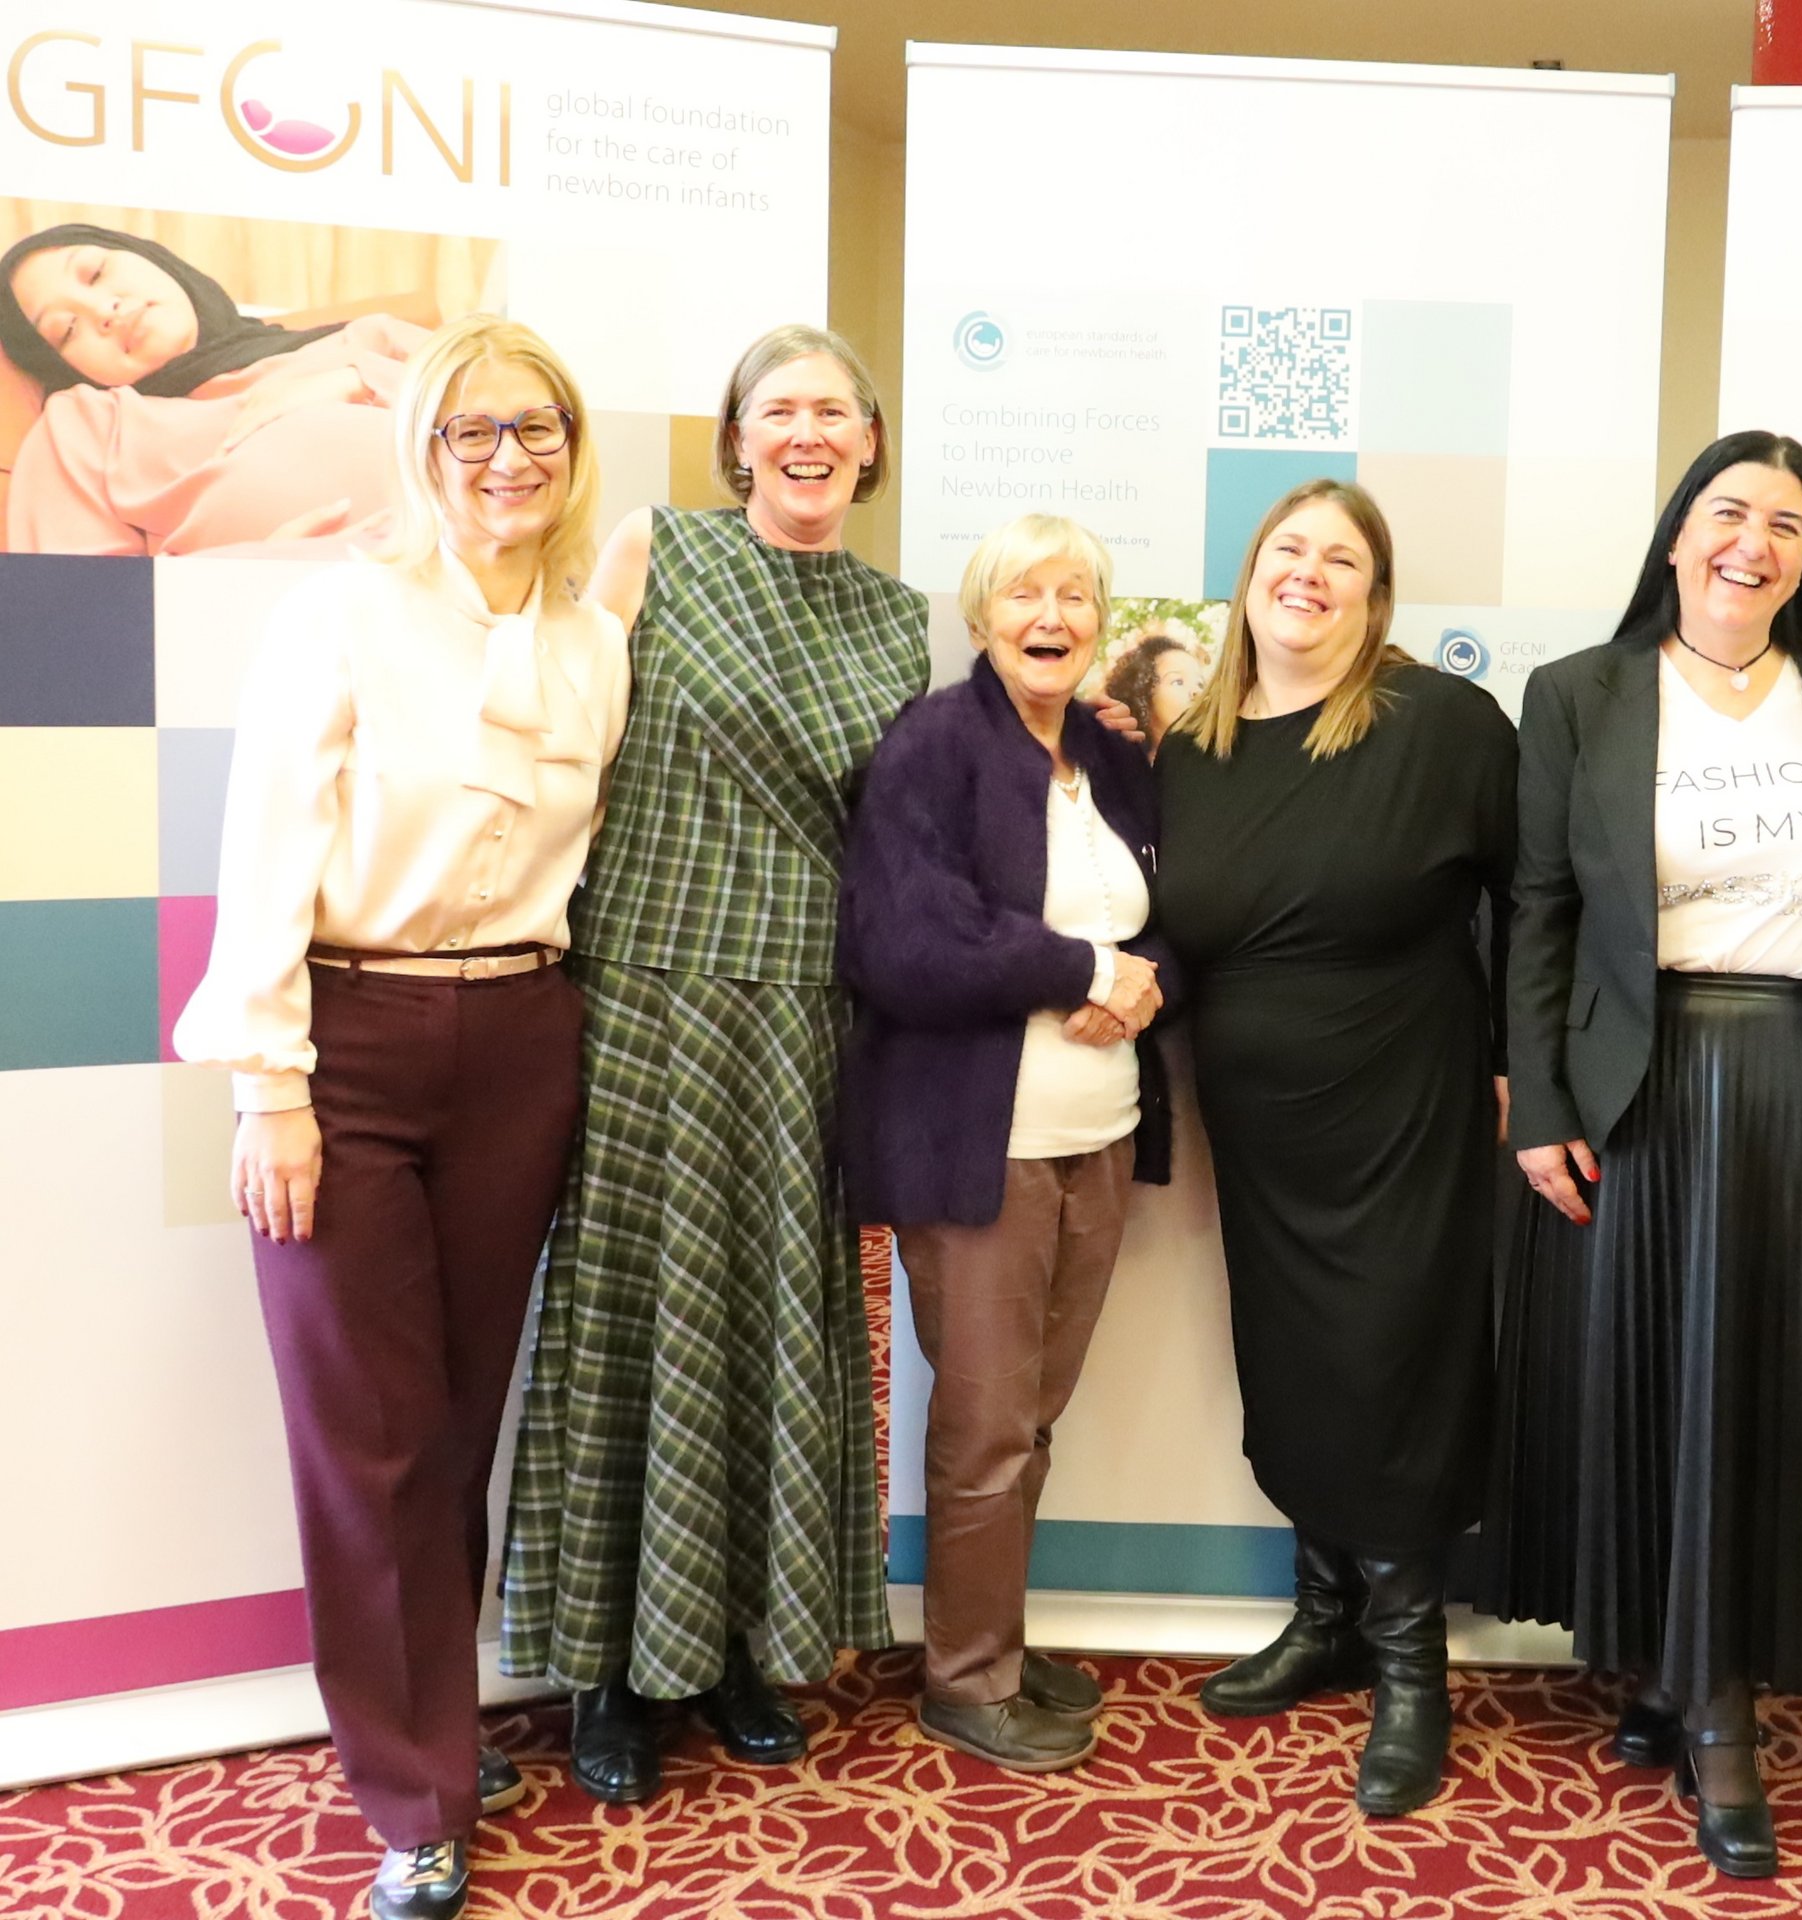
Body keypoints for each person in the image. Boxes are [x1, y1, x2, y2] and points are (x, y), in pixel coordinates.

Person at [172, 313, 627, 1920]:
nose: (507, 460)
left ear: (571, 452)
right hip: (346, 1044)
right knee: (363, 1438)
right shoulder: (342, 616)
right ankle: (417, 1795)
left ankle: (427, 1713)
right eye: (470, 432)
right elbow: (266, 855)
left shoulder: (591, 641)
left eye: (537, 431)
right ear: (422, 451)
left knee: (453, 1420)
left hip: (521, 1038)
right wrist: (270, 1086)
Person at [500, 323, 930, 1804]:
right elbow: (566, 747)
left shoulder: (900, 616)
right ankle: (614, 1669)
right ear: (739, 439)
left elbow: (915, 823)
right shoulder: (653, 549)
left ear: (870, 445)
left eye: (835, 412)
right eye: (778, 410)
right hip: (647, 991)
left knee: (773, 1326)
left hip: (807, 1010)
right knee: (634, 1320)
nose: (807, 432)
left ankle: (746, 1645)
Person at [1483, 430, 1802, 1878]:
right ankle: (1672, 1669)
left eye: (1789, 523)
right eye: (1731, 513)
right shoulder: (1581, 692)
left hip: (1800, 1077)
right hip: (1631, 1084)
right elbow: (1536, 910)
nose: (1757, 543)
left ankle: (1715, 1697)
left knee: (1760, 1384)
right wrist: (1538, 1101)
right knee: (1652, 1380)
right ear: (1676, 536)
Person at [1156, 478, 1516, 1817]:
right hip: (1256, 1128)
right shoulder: (1188, 749)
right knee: (1294, 1356)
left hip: (1405, 1109)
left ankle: (1413, 1667)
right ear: (1249, 576)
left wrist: (1514, 1071)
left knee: (1390, 1363)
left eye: (1342, 560)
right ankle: (1326, 1619)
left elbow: (1531, 897)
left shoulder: (1442, 727)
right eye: (1288, 550)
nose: (1309, 573)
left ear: (1375, 599)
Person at [839, 513, 1175, 1771]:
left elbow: (1163, 922)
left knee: (1031, 1418)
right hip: (982, 1148)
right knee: (982, 1427)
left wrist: (1140, 980)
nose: (1052, 615)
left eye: (1074, 593)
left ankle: (993, 1632)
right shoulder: (932, 744)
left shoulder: (1108, 751)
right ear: (982, 617)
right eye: (1024, 593)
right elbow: (906, 941)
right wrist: (1079, 968)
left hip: (1101, 1136)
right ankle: (963, 1679)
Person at [0, 223, 422, 554]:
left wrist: (361, 379)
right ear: (56, 365)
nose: (102, 310)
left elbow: (486, 394)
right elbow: (74, 623)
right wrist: (248, 580)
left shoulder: (370, 338)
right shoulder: (86, 428)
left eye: (95, 272)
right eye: (66, 330)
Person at [1103, 629, 1204, 756]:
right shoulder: (1124, 768)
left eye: (1200, 684)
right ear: (1143, 696)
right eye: (1178, 682)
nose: (1196, 692)